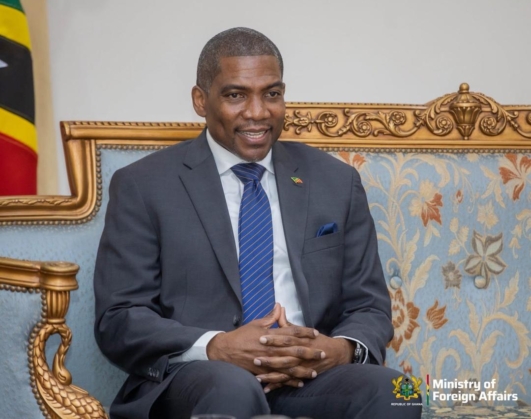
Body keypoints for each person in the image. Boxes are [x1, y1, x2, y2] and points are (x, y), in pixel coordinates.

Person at [94, 27, 421, 419]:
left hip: (307, 375)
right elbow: (120, 317)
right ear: (200, 100)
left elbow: (368, 304)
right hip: (199, 377)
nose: (258, 112)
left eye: (272, 94)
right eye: (236, 95)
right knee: (232, 388)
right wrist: (216, 346)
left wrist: (339, 349)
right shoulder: (144, 185)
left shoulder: (335, 182)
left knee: (397, 392)